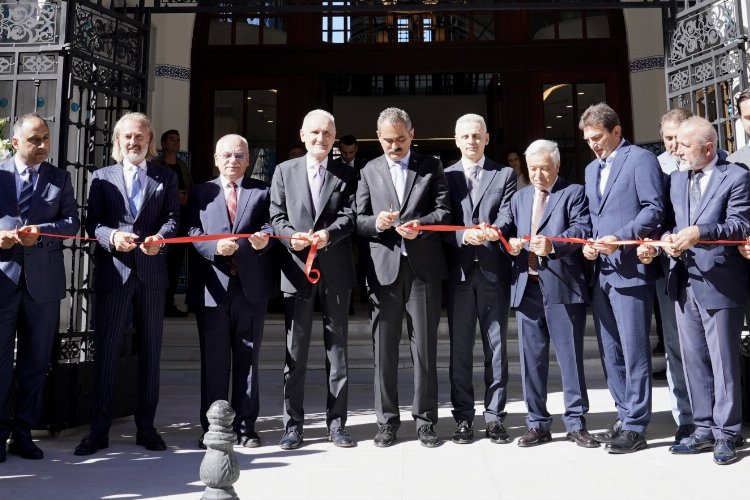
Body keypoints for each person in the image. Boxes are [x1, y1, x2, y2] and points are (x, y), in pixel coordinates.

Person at [639, 116, 750, 465]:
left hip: (720, 283)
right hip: (683, 282)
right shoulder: (677, 180)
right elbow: (671, 224)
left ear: (707, 147)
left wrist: (699, 232)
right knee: (693, 362)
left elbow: (740, 224)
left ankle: (727, 433)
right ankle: (701, 428)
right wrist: (663, 242)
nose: (676, 149)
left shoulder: (736, 177)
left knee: (724, 364)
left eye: (684, 145)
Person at [75, 112, 180, 456]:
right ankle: (98, 428)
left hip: (150, 275)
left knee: (150, 351)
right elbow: (92, 224)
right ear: (118, 141)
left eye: (140, 137)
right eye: (127, 137)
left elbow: (173, 219)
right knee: (106, 350)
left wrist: (161, 238)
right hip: (115, 272)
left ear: (150, 141)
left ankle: (146, 427)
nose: (134, 142)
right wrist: (113, 236)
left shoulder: (165, 175)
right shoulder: (101, 177)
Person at [356, 107, 450, 448]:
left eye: (399, 139)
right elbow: (358, 219)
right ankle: (386, 422)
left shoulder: (431, 166)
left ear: (412, 134)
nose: (394, 146)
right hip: (384, 270)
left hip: (423, 269)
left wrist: (421, 226)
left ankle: (425, 420)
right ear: (378, 138)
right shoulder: (368, 170)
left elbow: (445, 211)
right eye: (387, 140)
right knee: (384, 350)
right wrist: (377, 223)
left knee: (424, 349)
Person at [270, 110, 357, 449]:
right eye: (315, 132)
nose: (321, 138)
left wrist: (329, 234)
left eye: (327, 133)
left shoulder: (348, 174)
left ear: (334, 137)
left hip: (334, 269)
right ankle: (293, 425)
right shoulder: (283, 171)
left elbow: (351, 215)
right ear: (302, 134)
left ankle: (337, 425)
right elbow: (275, 214)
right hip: (297, 270)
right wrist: (290, 236)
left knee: (338, 352)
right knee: (296, 352)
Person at [580, 102, 665, 454]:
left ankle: (636, 425)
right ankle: (623, 413)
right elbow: (593, 216)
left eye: (598, 137)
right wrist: (589, 243)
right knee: (610, 351)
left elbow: (654, 208)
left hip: (630, 269)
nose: (594, 145)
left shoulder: (640, 159)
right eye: (588, 140)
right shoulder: (590, 169)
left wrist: (622, 237)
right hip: (601, 272)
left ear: (616, 131)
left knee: (634, 350)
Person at [503, 139, 597, 448]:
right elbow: (510, 229)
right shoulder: (519, 198)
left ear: (556, 165)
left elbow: (582, 231)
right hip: (527, 286)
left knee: (570, 358)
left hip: (561, 286)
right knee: (532, 360)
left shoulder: (573, 193)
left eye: (544, 168)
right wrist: (512, 243)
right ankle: (537, 423)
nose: (538, 174)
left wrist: (554, 244)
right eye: (532, 169)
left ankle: (575, 422)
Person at [187, 134, 275, 449]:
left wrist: (265, 237)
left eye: (239, 155)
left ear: (249, 159)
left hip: (250, 287)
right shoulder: (201, 192)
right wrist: (214, 247)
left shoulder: (262, 191)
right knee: (214, 361)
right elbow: (192, 232)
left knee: (248, 359)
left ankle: (247, 427)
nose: (233, 161)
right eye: (226, 155)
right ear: (215, 158)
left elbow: (271, 224)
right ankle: (213, 427)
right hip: (212, 287)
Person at [0, 114, 79, 463]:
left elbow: (72, 222)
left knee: (34, 362)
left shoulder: (59, 178)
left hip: (43, 285)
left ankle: (23, 433)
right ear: (16, 142)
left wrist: (42, 230)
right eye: (35, 139)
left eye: (46, 138)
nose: (43, 145)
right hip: (3, 281)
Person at [443, 114, 515, 444]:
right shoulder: (445, 176)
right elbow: (441, 220)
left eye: (477, 135)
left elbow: (508, 215)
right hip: (458, 274)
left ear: (487, 138)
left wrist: (488, 232)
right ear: (456, 140)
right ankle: (462, 417)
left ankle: (495, 416)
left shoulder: (504, 174)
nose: (471, 141)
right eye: (465, 136)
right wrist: (462, 236)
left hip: (492, 271)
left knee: (496, 348)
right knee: (460, 349)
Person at [653, 108, 696, 443]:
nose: (673, 146)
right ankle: (685, 415)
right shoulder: (656, 167)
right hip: (668, 269)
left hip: (709, 269)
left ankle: (716, 413)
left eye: (677, 138)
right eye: (667, 139)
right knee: (674, 344)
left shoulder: (716, 160)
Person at [155, 129, 193, 317]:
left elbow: (190, 186)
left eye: (178, 140)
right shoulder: (156, 165)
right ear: (163, 144)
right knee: (160, 264)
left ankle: (169, 303)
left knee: (175, 263)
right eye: (172, 140)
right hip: (160, 222)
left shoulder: (182, 165)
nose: (176, 143)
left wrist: (186, 197)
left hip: (181, 219)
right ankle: (158, 304)